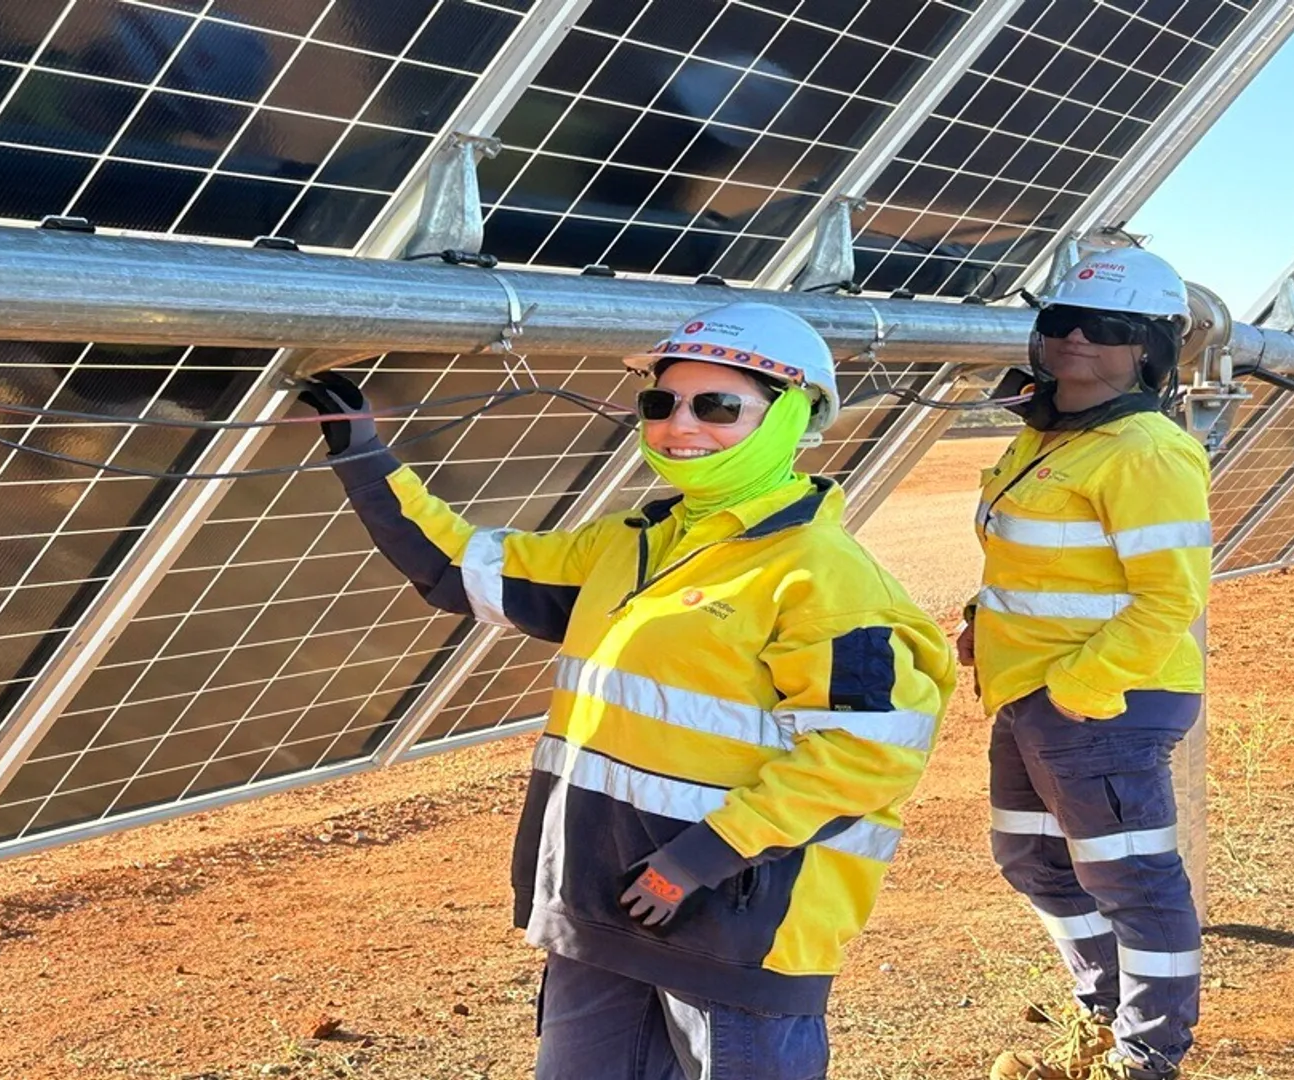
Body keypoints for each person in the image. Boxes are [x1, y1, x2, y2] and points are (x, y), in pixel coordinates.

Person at [297, 302, 955, 1079]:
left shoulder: (825, 577)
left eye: (718, 407)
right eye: (660, 403)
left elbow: (867, 757)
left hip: (736, 923)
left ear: (793, 417)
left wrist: (698, 861)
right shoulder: (631, 544)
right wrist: (363, 454)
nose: (682, 426)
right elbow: (463, 569)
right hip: (605, 904)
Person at [958, 249, 1212, 1080]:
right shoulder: (1047, 435)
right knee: (1031, 859)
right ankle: (1102, 1012)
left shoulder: (1145, 451)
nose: (1075, 339)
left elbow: (1170, 597)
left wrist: (1082, 686)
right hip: (1032, 692)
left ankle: (1146, 1055)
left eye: (1106, 327)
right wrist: (981, 621)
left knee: (1131, 879)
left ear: (1148, 348)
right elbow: (1039, 561)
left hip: (1103, 700)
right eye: (1058, 321)